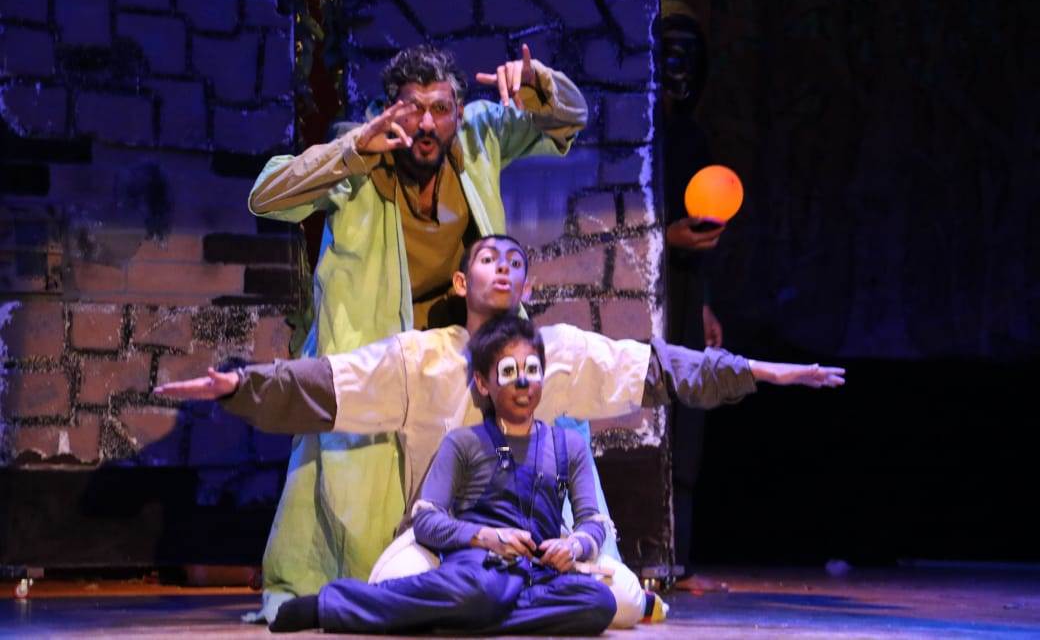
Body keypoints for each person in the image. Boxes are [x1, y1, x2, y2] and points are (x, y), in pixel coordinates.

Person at [156, 234, 845, 626]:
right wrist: (241, 385)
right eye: (490, 259)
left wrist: (763, 371)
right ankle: (351, 606)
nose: (505, 269)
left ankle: (475, 615)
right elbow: (327, 384)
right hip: (441, 547)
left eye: (516, 262)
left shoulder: (560, 355)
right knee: (432, 585)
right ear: (462, 281)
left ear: (527, 286)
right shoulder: (420, 358)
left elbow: (659, 367)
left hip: (535, 558)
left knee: (614, 601)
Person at [245, 43, 589, 617]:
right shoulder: (361, 152)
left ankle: (528, 573)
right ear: (390, 108)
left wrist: (539, 84)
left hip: (466, 351)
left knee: (534, 436)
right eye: (412, 108)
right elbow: (266, 197)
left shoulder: (479, 136)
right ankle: (357, 597)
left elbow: (570, 118)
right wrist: (352, 150)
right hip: (380, 355)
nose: (427, 124)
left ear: (459, 110)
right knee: (359, 495)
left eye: (440, 108)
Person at [266, 315, 617, 635]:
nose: (523, 382)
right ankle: (331, 605)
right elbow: (426, 519)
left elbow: (592, 521)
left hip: (538, 574)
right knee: (483, 592)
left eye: (532, 369)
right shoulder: (463, 442)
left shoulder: (567, 445)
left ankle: (458, 618)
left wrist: (574, 545)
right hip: (480, 567)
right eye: (509, 371)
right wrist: (486, 537)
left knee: (598, 603)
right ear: (483, 383)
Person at [660, 0, 728, 588]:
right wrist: (663, 237)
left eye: (688, 56)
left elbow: (699, 226)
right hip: (637, 296)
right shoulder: (628, 137)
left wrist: (703, 300)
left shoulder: (691, 138)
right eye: (666, 54)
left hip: (680, 293)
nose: (677, 70)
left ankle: (675, 556)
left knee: (686, 418)